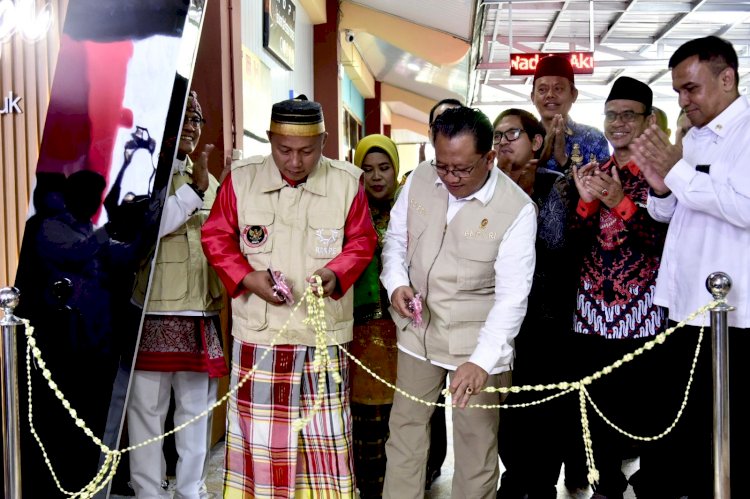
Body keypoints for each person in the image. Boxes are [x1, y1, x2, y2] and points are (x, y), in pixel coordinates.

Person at [201, 95, 377, 498]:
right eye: (284, 150)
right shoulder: (241, 180)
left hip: (322, 338)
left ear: (324, 140)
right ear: (269, 139)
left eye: (307, 151)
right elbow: (216, 237)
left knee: (325, 442)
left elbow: (362, 241)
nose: (295, 162)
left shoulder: (346, 182)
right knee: (262, 445)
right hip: (261, 337)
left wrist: (336, 272)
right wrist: (247, 278)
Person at [381, 106, 536, 499]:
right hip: (419, 330)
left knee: (476, 448)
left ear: (489, 157)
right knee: (405, 435)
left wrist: (482, 362)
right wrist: (397, 282)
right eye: (443, 166)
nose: (450, 178)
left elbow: (512, 297)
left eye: (462, 169)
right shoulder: (419, 179)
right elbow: (396, 241)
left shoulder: (516, 210)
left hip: (478, 341)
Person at [630, 35, 750, 498]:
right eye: (678, 90)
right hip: (683, 306)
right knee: (685, 423)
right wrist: (661, 187)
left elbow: (743, 207)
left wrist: (678, 172)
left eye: (691, 89)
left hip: (730, 317)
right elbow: (669, 212)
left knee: (723, 430)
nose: (683, 100)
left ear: (727, 78)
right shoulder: (694, 135)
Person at [568, 76, 669, 499]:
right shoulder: (596, 172)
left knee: (651, 409)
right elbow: (571, 244)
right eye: (611, 114)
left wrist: (619, 202)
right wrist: (584, 201)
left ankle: (653, 483)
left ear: (647, 121)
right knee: (598, 407)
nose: (619, 122)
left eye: (629, 114)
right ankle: (605, 483)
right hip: (592, 313)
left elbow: (662, 242)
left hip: (644, 313)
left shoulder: (662, 177)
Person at [127, 91, 228, 499]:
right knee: (147, 414)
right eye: (183, 116)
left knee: (195, 415)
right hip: (153, 311)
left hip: (200, 312)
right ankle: (149, 491)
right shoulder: (143, 172)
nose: (191, 125)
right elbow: (141, 233)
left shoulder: (210, 180)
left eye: (197, 118)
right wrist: (192, 193)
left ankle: (192, 489)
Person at [491, 109, 579, 499]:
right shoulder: (489, 187)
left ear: (537, 142)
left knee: (545, 404)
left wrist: (521, 195)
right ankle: (515, 475)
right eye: (496, 136)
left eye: (512, 133)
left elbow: (555, 247)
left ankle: (542, 480)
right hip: (503, 319)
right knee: (508, 406)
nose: (503, 142)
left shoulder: (554, 185)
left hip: (548, 318)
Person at [349, 134, 400, 498]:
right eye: (367, 169)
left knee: (401, 424)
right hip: (359, 334)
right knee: (363, 423)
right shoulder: (347, 213)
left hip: (404, 334)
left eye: (384, 168)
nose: (376, 176)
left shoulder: (411, 212)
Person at [531, 55, 610, 174]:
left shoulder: (593, 138)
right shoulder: (525, 137)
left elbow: (602, 189)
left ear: (574, 94)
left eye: (558, 88)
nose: (550, 95)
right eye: (542, 89)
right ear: (532, 97)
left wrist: (563, 160)